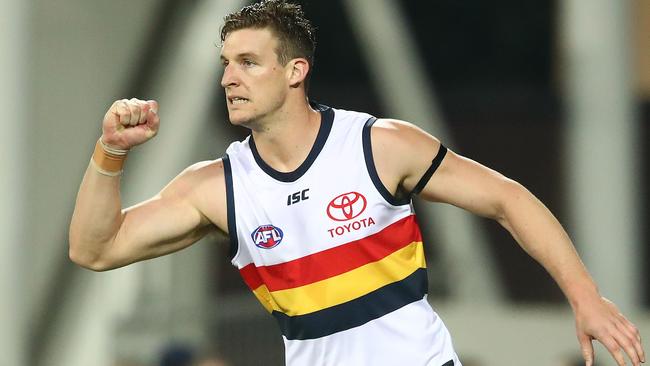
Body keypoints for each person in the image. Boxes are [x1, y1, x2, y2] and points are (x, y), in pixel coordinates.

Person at [69, 1, 645, 365]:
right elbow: (94, 249)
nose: (227, 78)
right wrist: (110, 152)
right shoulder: (215, 187)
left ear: (296, 72)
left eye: (248, 62)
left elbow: (507, 198)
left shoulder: (378, 145)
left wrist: (585, 297)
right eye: (225, 63)